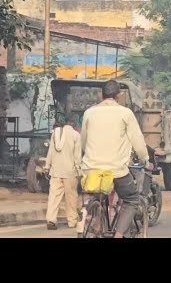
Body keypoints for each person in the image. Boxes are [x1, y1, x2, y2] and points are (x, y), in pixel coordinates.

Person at [80, 80, 150, 238]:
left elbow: (83, 141)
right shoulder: (125, 113)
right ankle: (118, 234)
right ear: (118, 95)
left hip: (91, 169)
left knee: (97, 195)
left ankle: (96, 218)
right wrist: (145, 159)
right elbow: (138, 141)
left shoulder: (89, 113)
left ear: (101, 95)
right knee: (132, 199)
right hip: (116, 170)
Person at [43, 115, 82, 230]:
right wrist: (79, 170)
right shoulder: (76, 135)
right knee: (71, 197)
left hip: (56, 172)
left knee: (54, 197)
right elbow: (77, 156)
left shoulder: (55, 133)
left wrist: (47, 166)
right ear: (73, 125)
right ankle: (72, 221)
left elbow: (50, 151)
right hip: (70, 173)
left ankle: (51, 219)